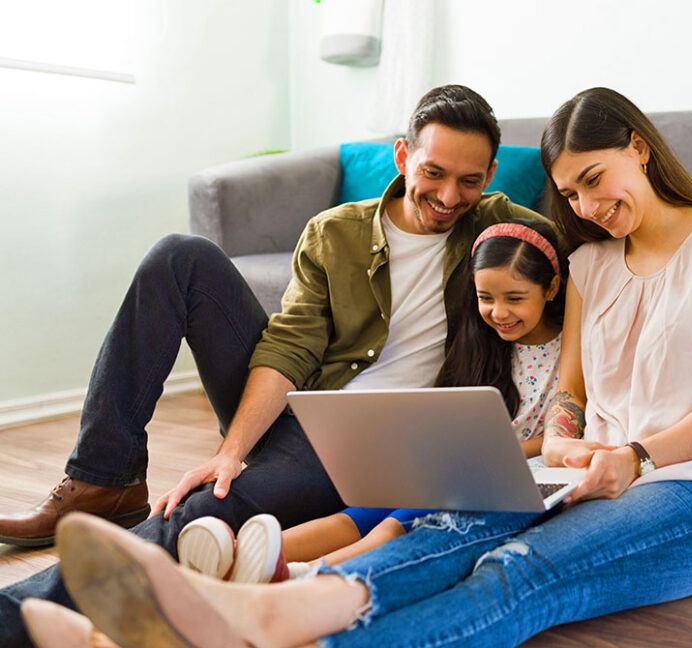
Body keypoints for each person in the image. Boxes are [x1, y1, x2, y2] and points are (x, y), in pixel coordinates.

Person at [21, 86, 692, 648]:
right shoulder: (586, 263)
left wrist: (631, 454)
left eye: (593, 181)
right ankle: (179, 570)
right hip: (524, 461)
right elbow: (574, 394)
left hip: (688, 485)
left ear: (638, 149)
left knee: (507, 567)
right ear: (402, 158)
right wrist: (561, 438)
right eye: (568, 193)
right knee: (431, 535)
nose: (584, 206)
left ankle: (234, 624)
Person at [0, 84, 545, 647]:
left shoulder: (502, 229)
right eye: (434, 172)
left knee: (202, 511)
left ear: (491, 175)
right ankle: (102, 480)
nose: (450, 196)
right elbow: (291, 346)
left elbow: (588, 251)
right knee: (180, 257)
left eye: (470, 180)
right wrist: (229, 452)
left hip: (366, 452)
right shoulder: (336, 232)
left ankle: (16, 612)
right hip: (300, 403)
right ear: (403, 156)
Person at [174, 218, 567, 583]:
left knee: (397, 523)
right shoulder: (481, 345)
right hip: (459, 467)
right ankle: (236, 556)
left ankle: (302, 575)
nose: (498, 313)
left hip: (524, 476)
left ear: (550, 289)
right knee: (361, 513)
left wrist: (494, 452)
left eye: (515, 298)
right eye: (486, 298)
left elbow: (561, 437)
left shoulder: (569, 353)